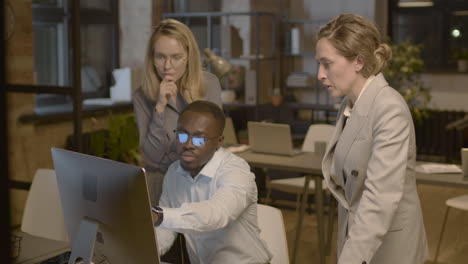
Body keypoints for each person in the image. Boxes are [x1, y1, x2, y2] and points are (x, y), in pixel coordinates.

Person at [318, 14, 428, 264]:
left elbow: (380, 198)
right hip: (359, 239)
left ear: (358, 61)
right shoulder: (349, 103)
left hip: (391, 248)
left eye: (327, 64)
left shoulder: (389, 108)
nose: (320, 75)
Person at [151, 100, 272, 264]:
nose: (188, 144)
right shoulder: (174, 173)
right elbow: (166, 229)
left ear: (219, 141)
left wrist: (160, 215)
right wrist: (140, 252)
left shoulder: (236, 170)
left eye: (199, 139)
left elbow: (218, 213)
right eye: (182, 135)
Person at [133, 19, 222, 206]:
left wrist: (192, 105)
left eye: (175, 57)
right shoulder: (142, 96)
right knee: (159, 236)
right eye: (160, 57)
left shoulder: (209, 85)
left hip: (198, 184)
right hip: (157, 185)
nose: (167, 66)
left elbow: (210, 145)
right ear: (152, 57)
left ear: (188, 55)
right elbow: (152, 155)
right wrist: (159, 108)